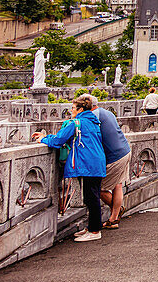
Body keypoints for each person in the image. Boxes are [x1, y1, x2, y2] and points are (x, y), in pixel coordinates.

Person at [34, 95, 106, 242]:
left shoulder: (76, 122)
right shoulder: (93, 122)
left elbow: (59, 140)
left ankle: (94, 231)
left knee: (91, 197)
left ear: (80, 109)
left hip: (88, 163)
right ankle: (92, 227)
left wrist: (43, 139)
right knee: (92, 195)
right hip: (97, 161)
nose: (71, 111)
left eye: (73, 108)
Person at [87, 95, 130, 230]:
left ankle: (116, 213)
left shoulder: (94, 116)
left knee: (97, 188)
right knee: (117, 185)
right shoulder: (107, 113)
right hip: (124, 150)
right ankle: (114, 217)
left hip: (114, 156)